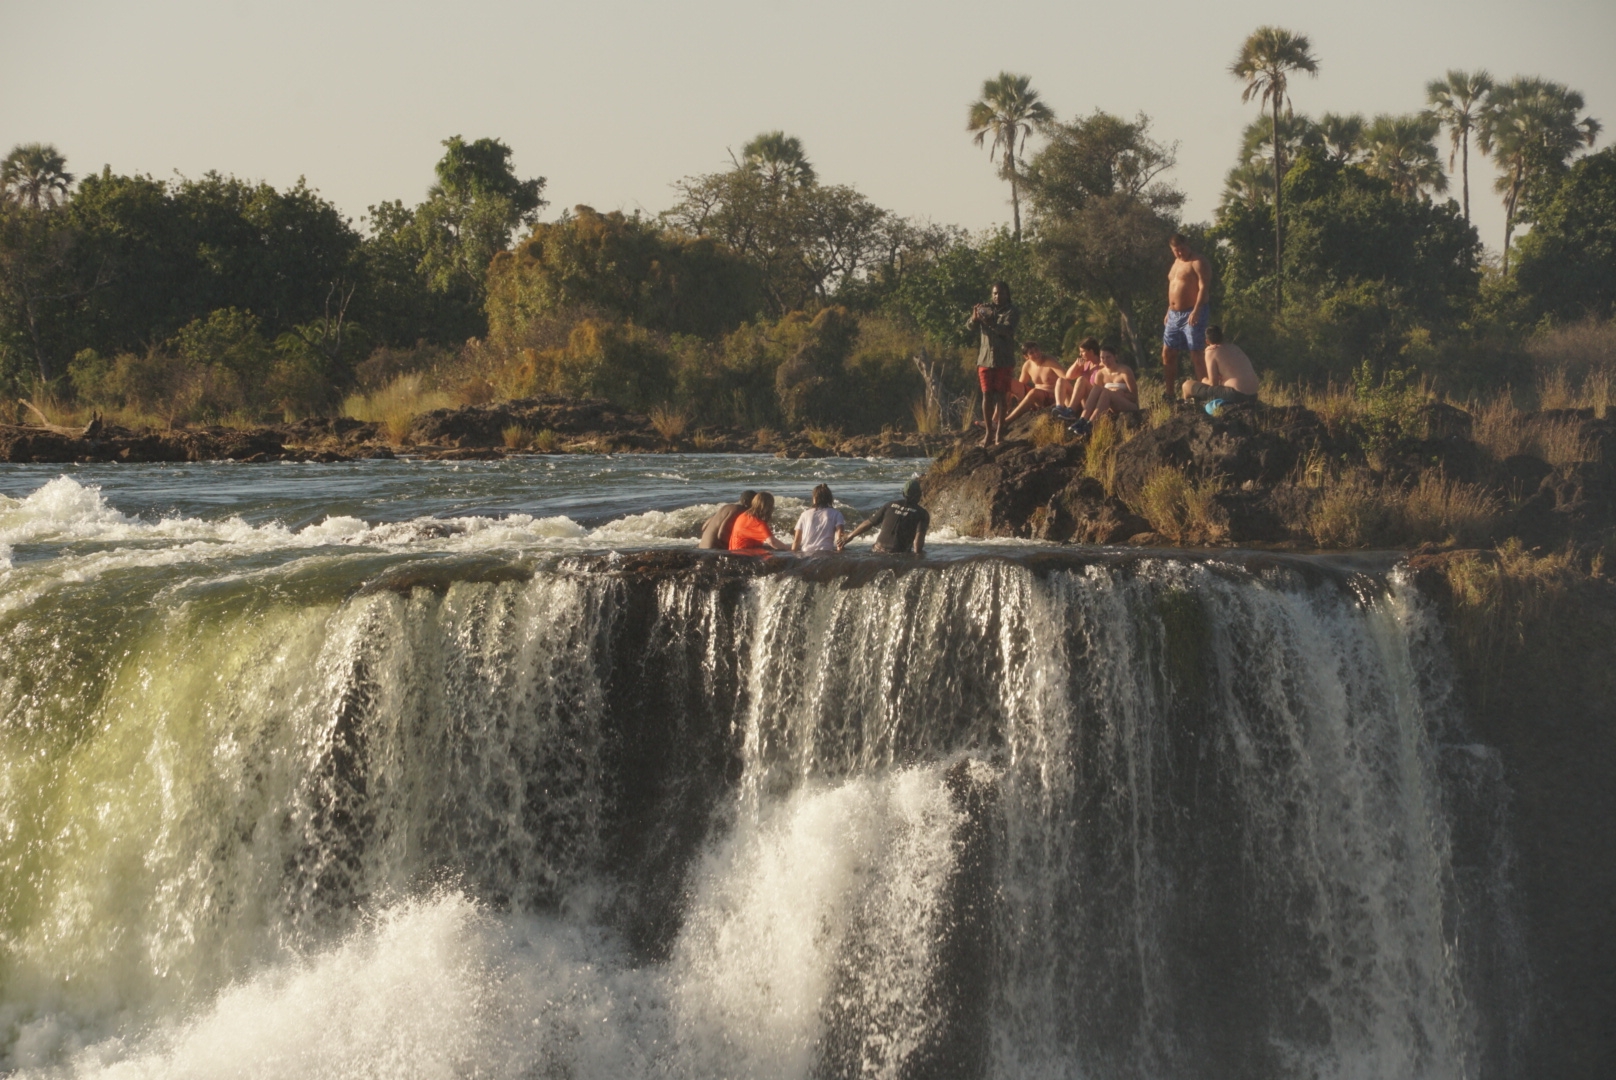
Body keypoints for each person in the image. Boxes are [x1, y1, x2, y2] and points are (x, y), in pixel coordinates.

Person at [966, 281, 1019, 448]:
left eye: (1001, 293)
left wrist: (990, 322)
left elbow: (1007, 330)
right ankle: (988, 432)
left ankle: (999, 434)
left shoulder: (1012, 310)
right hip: (985, 360)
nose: (997, 297)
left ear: (1007, 294)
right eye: (995, 293)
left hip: (1004, 360)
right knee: (986, 395)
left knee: (1002, 396)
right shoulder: (985, 309)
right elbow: (968, 327)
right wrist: (975, 318)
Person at [1162, 233, 1211, 402]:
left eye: (1182, 249)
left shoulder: (1198, 262)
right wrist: (1169, 309)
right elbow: (1173, 286)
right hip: (1174, 314)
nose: (1180, 253)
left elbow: (1204, 287)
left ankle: (1204, 394)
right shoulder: (1175, 263)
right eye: (1176, 251)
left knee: (1196, 352)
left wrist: (1197, 310)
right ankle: (1169, 394)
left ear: (1187, 245)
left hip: (1193, 311)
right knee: (1168, 352)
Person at [840, 479, 929, 556]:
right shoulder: (922, 514)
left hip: (877, 550)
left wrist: (850, 536)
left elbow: (869, 523)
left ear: (903, 493)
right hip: (898, 553)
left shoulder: (890, 505)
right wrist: (918, 556)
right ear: (919, 494)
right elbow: (917, 544)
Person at [1181, 325, 1259, 405]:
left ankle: (1189, 409)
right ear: (1222, 337)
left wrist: (1204, 380)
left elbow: (1212, 383)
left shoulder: (1211, 351)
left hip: (1236, 394)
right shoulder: (1235, 347)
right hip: (1253, 395)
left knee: (1187, 385)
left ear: (1207, 341)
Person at [1003, 342, 1067, 423]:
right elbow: (1021, 384)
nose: (1036, 354)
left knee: (1034, 392)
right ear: (1026, 357)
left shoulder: (1049, 361)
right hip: (1036, 398)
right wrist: (1008, 398)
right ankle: (997, 418)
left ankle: (1006, 421)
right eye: (1031, 353)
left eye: (1037, 350)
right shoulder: (1027, 365)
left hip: (1051, 397)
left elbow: (1065, 378)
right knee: (1009, 383)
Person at [1080, 344, 1139, 423]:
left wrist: (1121, 394)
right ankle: (1082, 419)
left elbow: (1134, 397)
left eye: (1108, 357)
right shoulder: (1100, 374)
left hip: (1128, 405)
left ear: (1115, 357)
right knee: (1097, 388)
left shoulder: (1125, 371)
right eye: (1102, 358)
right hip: (1109, 407)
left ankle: (1091, 423)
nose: (1105, 361)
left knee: (1107, 393)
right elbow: (1097, 397)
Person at [1052, 337, 1102, 417]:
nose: (1080, 354)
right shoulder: (1086, 364)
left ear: (1091, 351)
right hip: (1080, 400)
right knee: (1061, 380)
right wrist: (1076, 364)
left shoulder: (1102, 365)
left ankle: (1071, 410)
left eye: (1082, 352)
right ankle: (1060, 408)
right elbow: (1068, 376)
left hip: (1093, 400)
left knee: (1081, 379)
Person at [793, 483, 847, 554]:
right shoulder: (837, 514)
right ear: (829, 498)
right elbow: (840, 539)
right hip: (826, 553)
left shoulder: (804, 514)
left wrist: (792, 556)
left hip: (806, 553)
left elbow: (797, 540)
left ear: (815, 498)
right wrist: (840, 555)